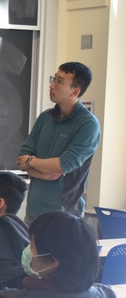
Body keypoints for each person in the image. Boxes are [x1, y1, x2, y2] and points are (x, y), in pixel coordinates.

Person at [17, 62, 100, 222]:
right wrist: (42, 170)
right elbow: (22, 159)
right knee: (29, 248)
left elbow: (63, 165)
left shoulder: (87, 124)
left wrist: (32, 162)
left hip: (64, 214)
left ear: (75, 91)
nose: (52, 85)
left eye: (59, 81)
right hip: (34, 209)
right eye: (53, 79)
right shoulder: (45, 117)